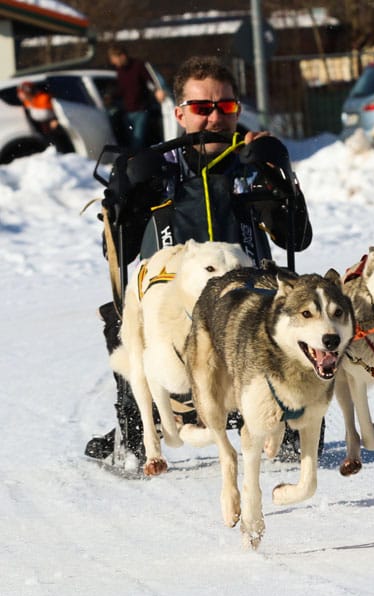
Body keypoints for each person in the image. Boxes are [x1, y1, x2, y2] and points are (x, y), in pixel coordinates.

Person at [85, 55, 313, 463]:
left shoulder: (249, 165)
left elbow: (296, 238)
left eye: (225, 107)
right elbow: (118, 253)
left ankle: (291, 424)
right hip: (171, 310)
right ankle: (135, 434)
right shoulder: (157, 170)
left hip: (248, 304)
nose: (214, 119)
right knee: (119, 318)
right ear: (179, 113)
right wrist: (125, 197)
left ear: (237, 110)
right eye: (201, 108)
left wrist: (278, 178)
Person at [107, 44, 166, 150]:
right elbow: (121, 90)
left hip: (141, 111)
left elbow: (153, 80)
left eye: (114, 59)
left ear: (122, 56)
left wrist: (159, 90)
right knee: (130, 140)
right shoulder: (119, 71)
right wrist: (110, 97)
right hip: (127, 112)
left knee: (138, 140)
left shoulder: (139, 66)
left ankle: (136, 161)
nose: (113, 63)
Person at [16, 81, 73, 154]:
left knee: (60, 144)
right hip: (43, 128)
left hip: (54, 126)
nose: (19, 96)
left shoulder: (44, 98)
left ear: (28, 92)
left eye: (21, 93)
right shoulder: (27, 102)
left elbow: (58, 110)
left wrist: (56, 120)